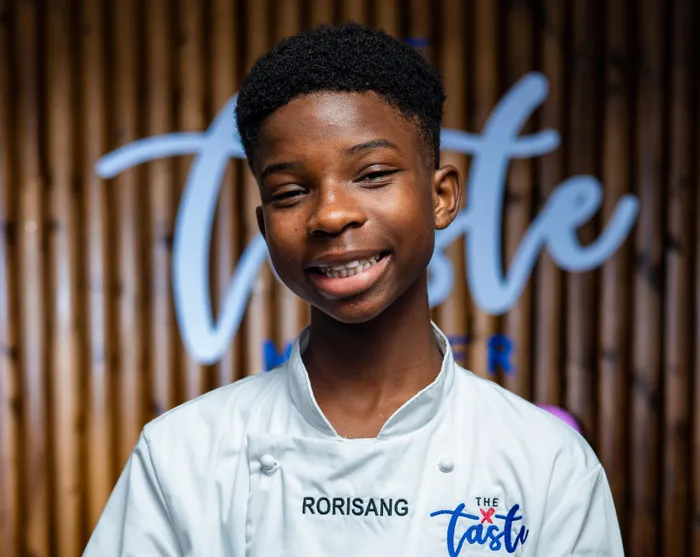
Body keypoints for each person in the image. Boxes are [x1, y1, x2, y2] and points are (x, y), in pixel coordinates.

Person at [84, 23, 625, 556]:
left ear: (441, 196)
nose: (331, 214)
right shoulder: (178, 456)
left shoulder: (549, 465)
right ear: (265, 225)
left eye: (372, 175)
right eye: (290, 192)